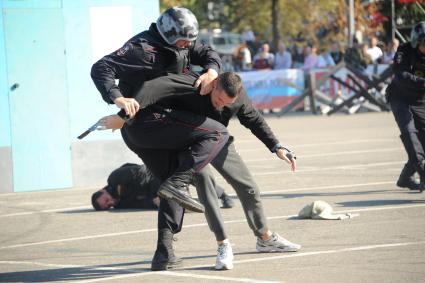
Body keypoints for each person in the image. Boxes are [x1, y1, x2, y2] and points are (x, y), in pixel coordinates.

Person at [104, 71, 301, 271]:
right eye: (218, 99)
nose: (221, 105)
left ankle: (265, 238)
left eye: (226, 103)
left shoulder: (238, 97)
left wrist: (276, 146)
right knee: (206, 185)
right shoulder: (193, 85)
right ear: (213, 85)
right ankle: (223, 244)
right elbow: (153, 89)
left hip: (218, 139)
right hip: (188, 144)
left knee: (248, 187)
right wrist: (124, 116)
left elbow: (254, 119)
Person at [91, 6, 229, 271]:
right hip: (148, 122)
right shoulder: (141, 48)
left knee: (171, 187)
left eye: (190, 39)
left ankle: (164, 253)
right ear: (167, 34)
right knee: (216, 132)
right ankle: (177, 183)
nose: (188, 45)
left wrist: (211, 70)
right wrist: (118, 97)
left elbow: (206, 51)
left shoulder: (185, 39)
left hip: (145, 129)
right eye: (183, 41)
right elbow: (101, 67)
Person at [91, 163, 234, 211]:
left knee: (192, 176)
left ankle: (223, 195)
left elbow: (141, 172)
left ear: (102, 191)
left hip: (157, 174)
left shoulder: (115, 178)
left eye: (106, 200)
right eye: (107, 206)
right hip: (159, 191)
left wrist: (156, 193)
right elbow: (140, 204)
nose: (110, 203)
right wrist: (153, 203)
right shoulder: (120, 204)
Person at [386, 21, 425, 193]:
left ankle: (405, 177)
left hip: (420, 100)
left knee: (423, 142)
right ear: (417, 42)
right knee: (410, 135)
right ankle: (423, 174)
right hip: (400, 98)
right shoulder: (404, 50)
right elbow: (400, 75)